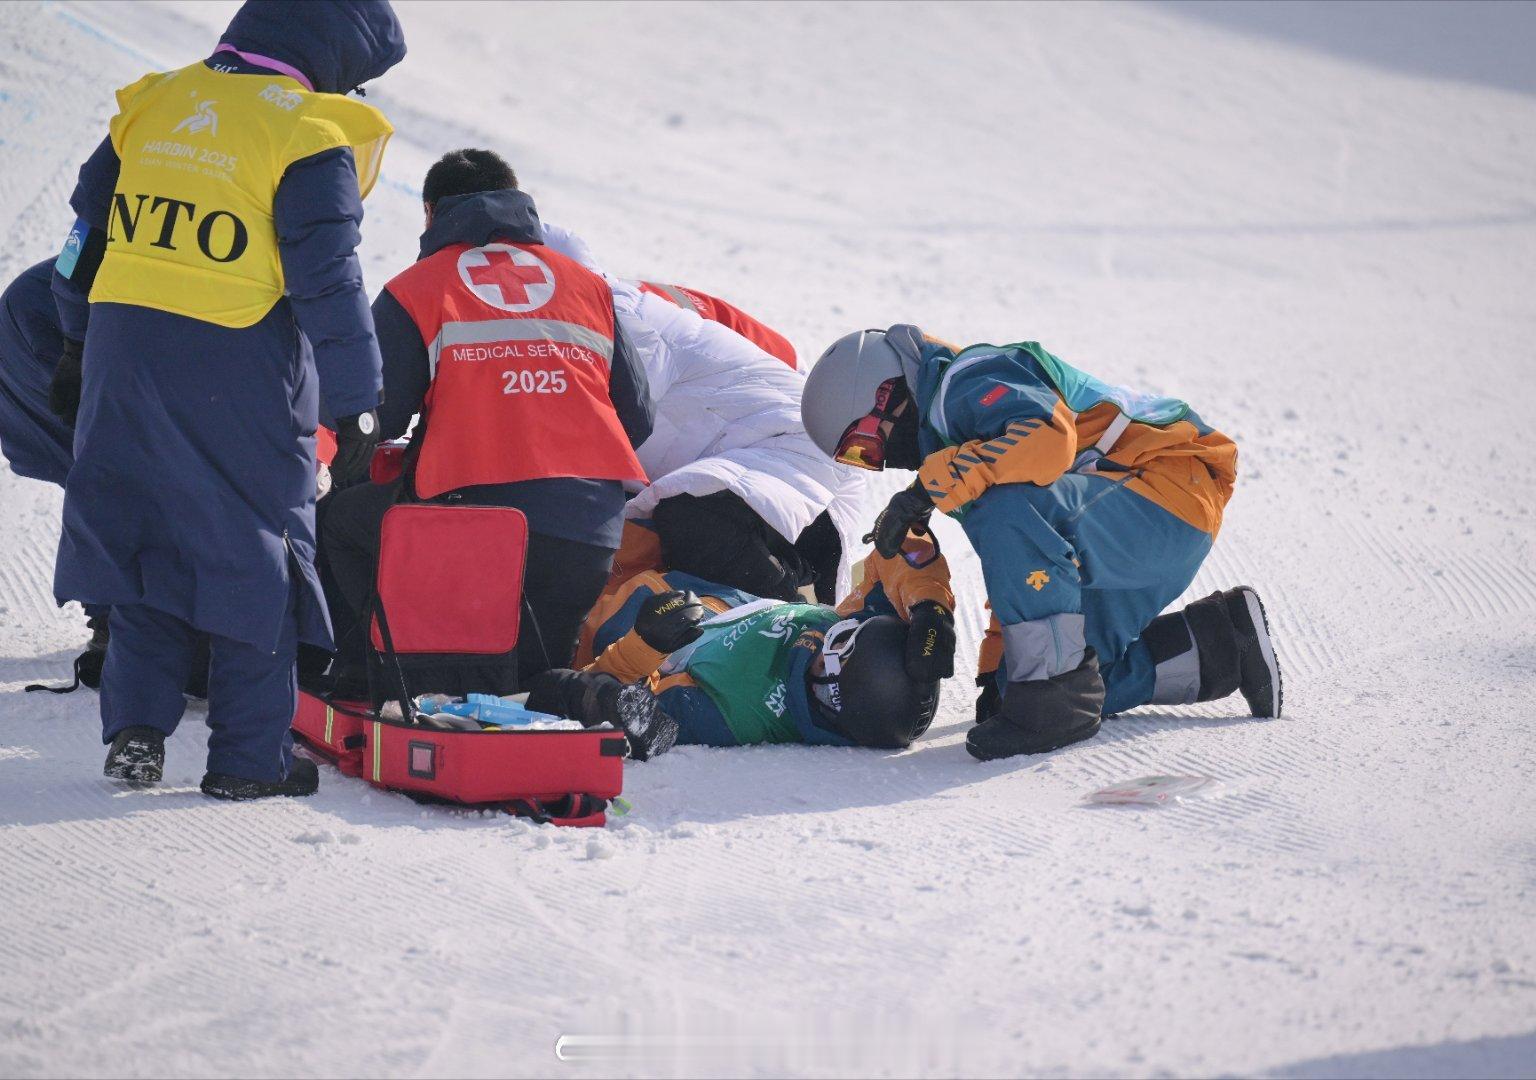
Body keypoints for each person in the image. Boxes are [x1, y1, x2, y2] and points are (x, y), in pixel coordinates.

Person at [48, 0, 406, 798]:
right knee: (259, 551)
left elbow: (84, 232)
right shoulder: (306, 133)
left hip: (123, 350)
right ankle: (248, 761)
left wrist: (75, 340)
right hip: (235, 359)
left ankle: (136, 730)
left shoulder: (158, 100)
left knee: (145, 535)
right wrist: (356, 405)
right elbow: (329, 282)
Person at [800, 325, 1282, 761]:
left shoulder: (968, 378)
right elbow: (1017, 561)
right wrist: (995, 671)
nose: (879, 461)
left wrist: (926, 490)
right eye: (861, 460)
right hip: (1125, 524)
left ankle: (1050, 697)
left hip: (1165, 486)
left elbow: (1048, 441)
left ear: (886, 393)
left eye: (865, 444)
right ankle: (1223, 643)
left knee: (1046, 680)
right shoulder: (959, 448)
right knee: (1046, 685)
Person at [318, 149, 653, 691]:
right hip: (587, 539)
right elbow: (635, 420)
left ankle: (368, 671)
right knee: (533, 681)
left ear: (431, 213)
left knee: (344, 520)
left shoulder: (418, 288)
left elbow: (372, 418)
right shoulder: (588, 288)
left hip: (476, 534)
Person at [541, 223, 865, 608]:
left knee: (688, 522)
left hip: (793, 460)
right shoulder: (593, 310)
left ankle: (797, 624)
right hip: (758, 457)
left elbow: (609, 422)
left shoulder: (618, 315)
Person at [529, 530, 957, 753]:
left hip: (587, 616)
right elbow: (895, 551)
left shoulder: (736, 710)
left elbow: (601, 696)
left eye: (837, 645)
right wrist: (929, 607)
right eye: (846, 630)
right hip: (669, 569)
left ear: (832, 694)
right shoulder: (850, 637)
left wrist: (644, 644)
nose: (828, 631)